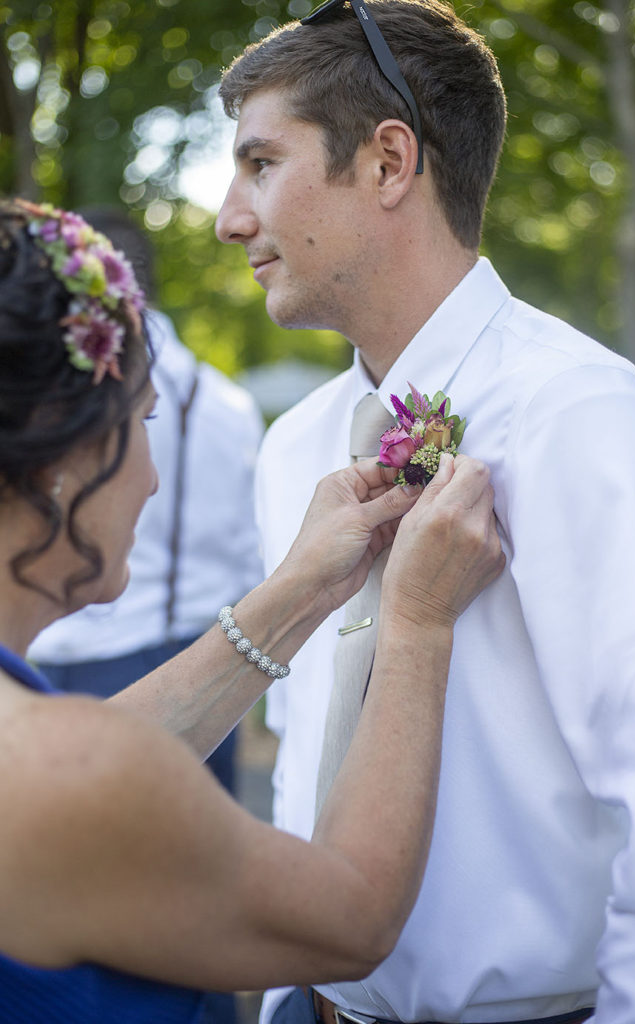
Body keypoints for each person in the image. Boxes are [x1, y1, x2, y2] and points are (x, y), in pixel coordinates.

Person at [214, 2, 635, 1023]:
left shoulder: (583, 418)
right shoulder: (295, 445)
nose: (228, 217)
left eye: (259, 164)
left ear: (388, 163)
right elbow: (299, 751)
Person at [0, 198, 503, 1024]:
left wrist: (299, 591)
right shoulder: (66, 777)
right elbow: (355, 918)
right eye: (143, 423)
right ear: (60, 453)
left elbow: (102, 758)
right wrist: (416, 622)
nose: (154, 480)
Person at [27, 208, 263, 1024]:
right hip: (200, 655)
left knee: (69, 913)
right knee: (201, 903)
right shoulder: (231, 406)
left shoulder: (53, 387)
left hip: (61, 655)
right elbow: (247, 555)